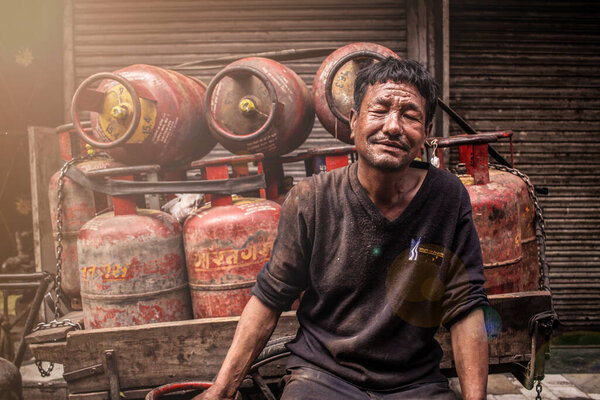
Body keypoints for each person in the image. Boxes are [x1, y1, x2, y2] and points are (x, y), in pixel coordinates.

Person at [195, 57, 489, 400]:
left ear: (425, 134)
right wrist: (222, 389)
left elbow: (466, 306)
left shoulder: (447, 196)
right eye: (379, 110)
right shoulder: (310, 199)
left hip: (414, 383)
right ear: (353, 122)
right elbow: (270, 298)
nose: (393, 126)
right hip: (323, 376)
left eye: (410, 115)